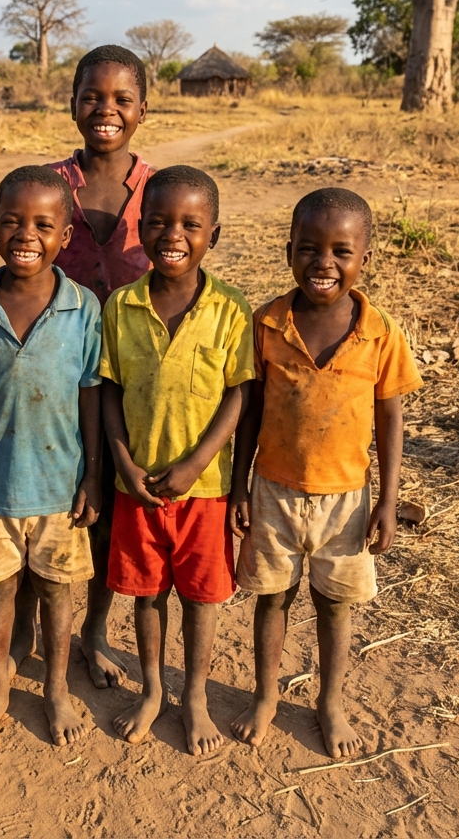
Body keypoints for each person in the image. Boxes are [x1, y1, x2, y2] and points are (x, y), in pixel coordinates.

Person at [229, 188, 423, 758]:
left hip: (346, 498)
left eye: (342, 251)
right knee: (272, 598)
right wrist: (240, 485)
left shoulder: (380, 331)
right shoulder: (266, 322)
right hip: (273, 490)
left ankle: (329, 701)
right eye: (310, 249)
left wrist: (388, 501)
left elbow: (390, 415)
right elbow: (251, 412)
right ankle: (266, 695)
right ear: (289, 250)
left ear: (366, 257)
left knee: (334, 605)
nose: (324, 264)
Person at [0, 165, 103, 747]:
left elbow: (91, 396)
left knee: (58, 591)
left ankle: (56, 690)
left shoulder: (83, 308)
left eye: (43, 224)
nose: (26, 234)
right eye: (12, 221)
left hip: (60, 486)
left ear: (66, 236)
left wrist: (92, 473)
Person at [101, 165, 253, 755]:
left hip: (206, 489)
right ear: (139, 229)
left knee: (200, 598)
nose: (174, 234)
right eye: (159, 221)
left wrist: (195, 465)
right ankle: (152, 691)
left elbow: (240, 394)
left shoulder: (231, 309)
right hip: (136, 484)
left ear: (212, 235)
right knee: (147, 594)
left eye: (191, 224)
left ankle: (194, 697)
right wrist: (122, 459)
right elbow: (109, 389)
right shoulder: (121, 305)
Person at [44, 45, 156, 690]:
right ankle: (43, 628)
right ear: (73, 102)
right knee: (59, 497)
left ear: (143, 108)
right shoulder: (52, 184)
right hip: (57, 374)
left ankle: (94, 628)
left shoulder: (159, 188)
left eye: (120, 99)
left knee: (113, 506)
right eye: (92, 96)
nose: (105, 110)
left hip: (136, 378)